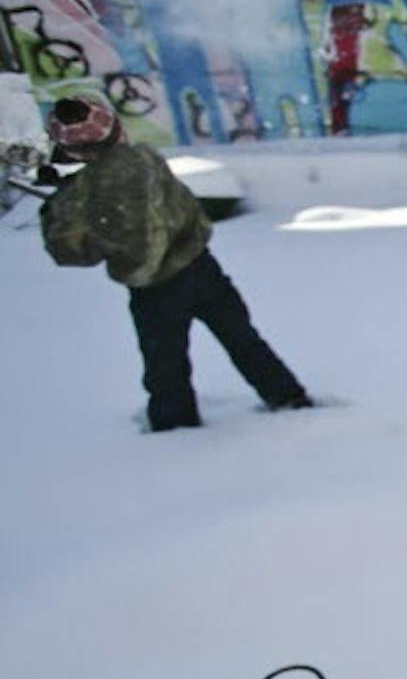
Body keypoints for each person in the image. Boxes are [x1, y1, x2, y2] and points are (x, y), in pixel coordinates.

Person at [38, 94, 311, 431]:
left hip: (156, 291)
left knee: (165, 369)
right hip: (203, 268)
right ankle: (290, 399)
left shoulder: (91, 189)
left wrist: (59, 206)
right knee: (245, 342)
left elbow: (73, 252)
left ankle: (175, 435)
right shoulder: (146, 159)